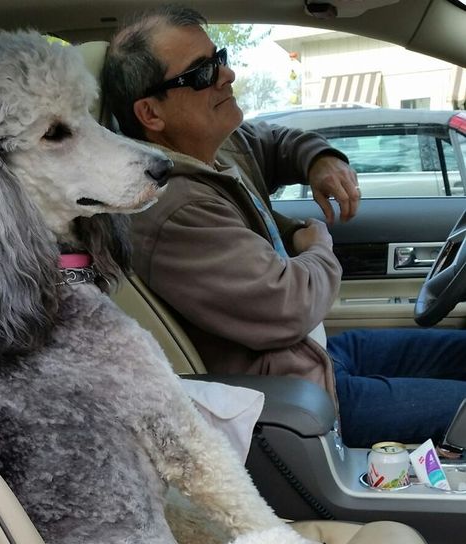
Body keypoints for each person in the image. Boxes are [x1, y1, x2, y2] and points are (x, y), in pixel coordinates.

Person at [101, 5, 466, 449]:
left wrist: (320, 159)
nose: (227, 74)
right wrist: (318, 243)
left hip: (317, 356)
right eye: (200, 73)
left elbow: (276, 141)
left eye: (218, 57)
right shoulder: (173, 208)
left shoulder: (219, 146)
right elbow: (289, 303)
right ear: (151, 114)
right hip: (303, 397)